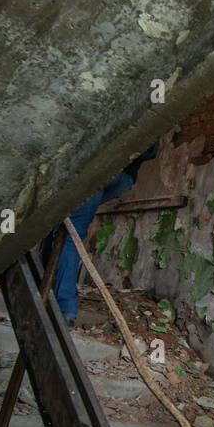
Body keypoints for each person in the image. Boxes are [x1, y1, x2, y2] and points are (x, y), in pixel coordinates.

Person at [42, 140, 159, 329]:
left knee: (68, 233)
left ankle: (63, 308)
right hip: (123, 178)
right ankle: (44, 283)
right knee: (63, 225)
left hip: (97, 170)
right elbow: (151, 151)